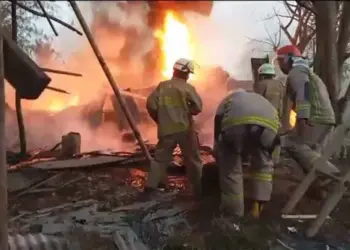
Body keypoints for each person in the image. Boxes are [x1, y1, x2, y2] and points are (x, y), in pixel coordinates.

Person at [213, 89, 281, 218]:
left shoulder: (228, 100)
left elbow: (218, 130)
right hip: (268, 127)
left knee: (231, 169)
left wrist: (219, 153)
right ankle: (257, 208)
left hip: (235, 125)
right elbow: (276, 138)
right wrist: (272, 160)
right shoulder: (264, 102)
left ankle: (234, 213)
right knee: (263, 167)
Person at [276, 45, 339, 175]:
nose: (280, 65)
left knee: (291, 143)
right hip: (325, 118)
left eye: (281, 61)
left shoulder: (297, 71)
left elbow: (302, 93)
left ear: (289, 59)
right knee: (313, 156)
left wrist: (303, 118)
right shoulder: (306, 71)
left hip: (315, 118)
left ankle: (334, 174)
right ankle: (320, 188)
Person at [144, 58, 203, 197]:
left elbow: (151, 105)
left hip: (166, 129)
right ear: (185, 73)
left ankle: (150, 188)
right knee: (193, 159)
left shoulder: (162, 86)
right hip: (185, 129)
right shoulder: (187, 87)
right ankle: (198, 188)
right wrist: (188, 111)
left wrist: (160, 119)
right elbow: (198, 107)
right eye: (188, 73)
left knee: (159, 159)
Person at [255, 63, 285, 165]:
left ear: (262, 75)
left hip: (263, 118)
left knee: (260, 141)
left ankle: (262, 162)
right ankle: (275, 161)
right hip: (277, 118)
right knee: (276, 140)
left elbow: (256, 101)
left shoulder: (261, 84)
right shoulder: (280, 84)